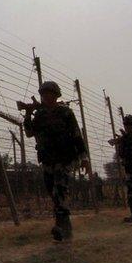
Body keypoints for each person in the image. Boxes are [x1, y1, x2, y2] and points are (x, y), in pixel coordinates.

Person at [23, 81, 88, 241]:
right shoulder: (40, 115)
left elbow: (76, 135)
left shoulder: (65, 113)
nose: (46, 96)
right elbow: (30, 133)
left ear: (55, 95)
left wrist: (84, 158)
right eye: (43, 94)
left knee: (59, 191)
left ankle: (61, 228)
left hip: (64, 159)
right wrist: (28, 114)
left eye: (49, 93)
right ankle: (66, 227)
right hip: (48, 160)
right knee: (52, 191)